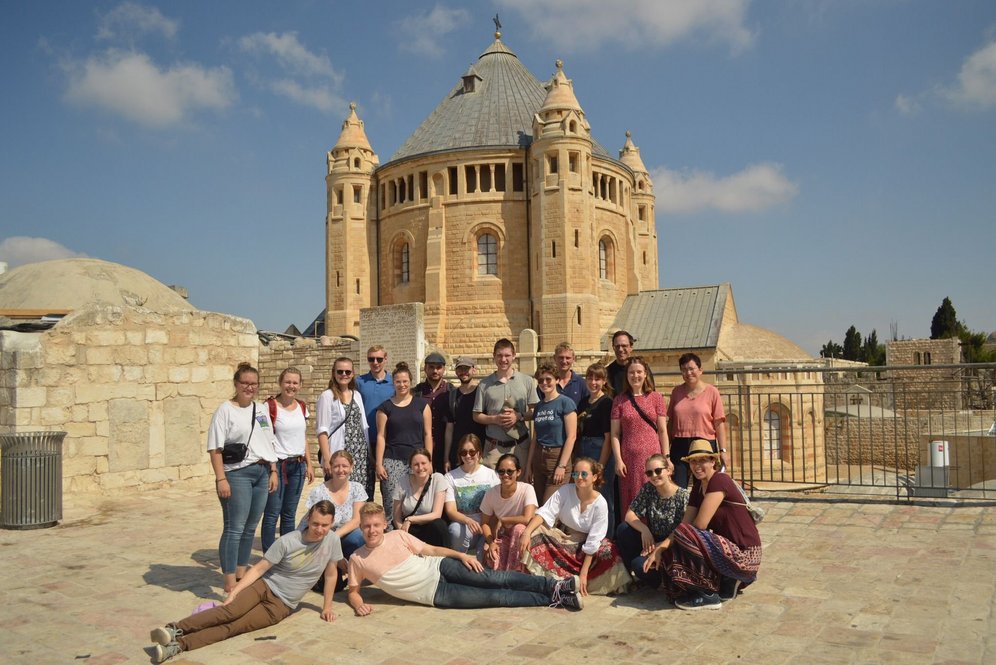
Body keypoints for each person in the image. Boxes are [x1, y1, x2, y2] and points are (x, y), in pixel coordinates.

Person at [148, 501, 342, 663]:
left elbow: (331, 574)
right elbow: (259, 568)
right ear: (308, 519)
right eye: (316, 523)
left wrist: (326, 607)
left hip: (281, 606)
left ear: (332, 523)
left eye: (325, 525)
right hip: (264, 586)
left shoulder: (332, 541)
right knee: (230, 611)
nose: (319, 529)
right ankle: (174, 629)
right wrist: (234, 591)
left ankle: (177, 646)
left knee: (233, 627)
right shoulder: (288, 541)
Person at [347, 503, 583, 613]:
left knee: (496, 579)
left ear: (384, 524)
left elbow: (430, 550)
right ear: (361, 527)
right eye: (367, 526)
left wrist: (461, 555)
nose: (372, 530)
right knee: (498, 598)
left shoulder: (398, 535)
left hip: (441, 567)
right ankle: (556, 599)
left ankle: (554, 584)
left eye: (376, 525)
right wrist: (359, 605)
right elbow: (353, 591)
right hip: (436, 595)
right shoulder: (358, 558)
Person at [646, 439, 761, 611]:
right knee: (675, 542)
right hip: (729, 549)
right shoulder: (699, 487)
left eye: (702, 460)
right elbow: (685, 522)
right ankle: (726, 582)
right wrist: (661, 548)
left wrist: (666, 544)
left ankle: (706, 594)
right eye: (693, 461)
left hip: (746, 554)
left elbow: (699, 525)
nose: (697, 465)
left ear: (713, 461)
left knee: (683, 534)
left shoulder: (719, 481)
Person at [208, 362, 279, 593]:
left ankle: (241, 573)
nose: (249, 387)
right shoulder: (225, 410)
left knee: (250, 527)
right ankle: (229, 581)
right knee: (234, 528)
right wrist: (221, 479)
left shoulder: (260, 409)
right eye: (245, 383)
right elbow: (215, 448)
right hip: (236, 474)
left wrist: (273, 470)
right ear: (236, 384)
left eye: (253, 384)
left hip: (261, 471)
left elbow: (268, 438)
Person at [519, 458, 630, 596]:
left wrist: (583, 573)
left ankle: (582, 582)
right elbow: (545, 513)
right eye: (576, 474)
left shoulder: (600, 503)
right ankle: (548, 580)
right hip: (563, 539)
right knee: (534, 532)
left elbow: (594, 540)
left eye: (584, 474)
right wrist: (526, 532)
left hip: (585, 547)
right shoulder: (565, 490)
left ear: (594, 477)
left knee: (608, 550)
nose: (579, 478)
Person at [616, 454, 688, 588]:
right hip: (651, 539)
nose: (654, 475)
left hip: (672, 544)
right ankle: (636, 577)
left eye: (658, 471)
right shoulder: (649, 488)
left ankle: (661, 579)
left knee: (638, 566)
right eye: (649, 472)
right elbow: (630, 514)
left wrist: (658, 547)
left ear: (669, 471)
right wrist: (644, 530)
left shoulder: (683, 496)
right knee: (623, 529)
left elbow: (682, 531)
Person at [260, 367, 313, 552]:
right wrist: (272, 469)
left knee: (289, 514)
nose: (291, 386)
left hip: (297, 465)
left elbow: (303, 436)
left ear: (300, 385)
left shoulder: (302, 407)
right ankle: (269, 554)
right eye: (288, 382)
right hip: (278, 466)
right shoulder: (269, 407)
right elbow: (264, 438)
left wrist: (309, 463)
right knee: (272, 513)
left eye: (295, 383)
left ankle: (286, 554)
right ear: (281, 383)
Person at [610, 356, 669, 517]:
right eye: (631, 372)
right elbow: (615, 434)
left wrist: (666, 457)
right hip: (629, 458)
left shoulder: (656, 398)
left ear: (645, 374)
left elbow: (663, 430)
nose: (635, 376)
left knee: (655, 494)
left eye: (639, 372)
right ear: (626, 375)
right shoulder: (619, 400)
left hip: (653, 455)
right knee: (632, 498)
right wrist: (618, 460)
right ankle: (633, 536)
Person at [375, 362, 432, 513]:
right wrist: (379, 464)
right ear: (393, 383)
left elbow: (427, 434)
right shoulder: (385, 408)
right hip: (392, 460)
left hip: (417, 460)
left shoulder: (422, 405)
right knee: (391, 503)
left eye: (405, 381)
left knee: (417, 501)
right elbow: (381, 436)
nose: (402, 385)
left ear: (410, 382)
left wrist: (429, 461)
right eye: (398, 381)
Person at [473, 338, 538, 469]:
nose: (503, 359)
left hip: (519, 446)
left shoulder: (527, 381)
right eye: (499, 355)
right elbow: (476, 415)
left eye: (507, 355)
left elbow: (535, 412)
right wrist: (495, 419)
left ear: (514, 356)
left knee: (520, 487)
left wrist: (519, 416)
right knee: (492, 487)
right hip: (494, 448)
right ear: (494, 357)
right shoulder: (484, 384)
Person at [667, 352, 730, 488]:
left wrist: (723, 451)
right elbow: (670, 422)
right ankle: (683, 510)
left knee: (702, 486)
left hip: (704, 444)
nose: (688, 373)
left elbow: (719, 424)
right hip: (680, 443)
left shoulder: (712, 392)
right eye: (684, 369)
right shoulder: (676, 392)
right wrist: (666, 450)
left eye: (691, 369)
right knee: (678, 486)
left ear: (700, 370)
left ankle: (702, 510)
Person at [300, 450, 368, 562]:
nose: (341, 470)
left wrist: (335, 536)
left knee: (360, 537)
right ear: (330, 468)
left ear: (351, 468)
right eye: (336, 466)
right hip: (322, 536)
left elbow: (357, 520)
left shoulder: (357, 488)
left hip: (344, 535)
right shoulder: (319, 491)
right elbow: (313, 521)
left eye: (345, 466)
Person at [316, 357, 370, 490]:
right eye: (340, 372)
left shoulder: (356, 395)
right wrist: (327, 459)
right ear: (334, 373)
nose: (344, 375)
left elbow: (363, 426)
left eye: (347, 372)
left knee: (359, 495)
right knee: (339, 494)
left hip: (360, 455)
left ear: (352, 374)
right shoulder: (327, 396)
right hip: (340, 454)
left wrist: (370, 454)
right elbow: (322, 430)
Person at [527, 362, 578, 502]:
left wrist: (561, 466)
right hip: (539, 457)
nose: (544, 383)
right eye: (541, 380)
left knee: (550, 508)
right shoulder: (539, 406)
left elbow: (571, 437)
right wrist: (528, 466)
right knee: (538, 504)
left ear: (556, 380)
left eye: (548, 379)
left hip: (557, 456)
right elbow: (535, 438)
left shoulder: (565, 403)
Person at [480, 453, 538, 571]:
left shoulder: (527, 489)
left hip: (526, 535)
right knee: (492, 558)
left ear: (518, 472)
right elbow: (484, 523)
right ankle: (507, 573)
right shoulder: (491, 493)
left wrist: (503, 519)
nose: (505, 475)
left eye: (510, 471)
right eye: (501, 472)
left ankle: (515, 573)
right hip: (504, 536)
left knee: (519, 529)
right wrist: (491, 542)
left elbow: (527, 518)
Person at [444, 434, 499, 553]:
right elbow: (450, 511)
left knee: (483, 559)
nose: (468, 456)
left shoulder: (492, 475)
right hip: (465, 526)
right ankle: (459, 562)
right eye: (464, 453)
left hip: (487, 527)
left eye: (472, 452)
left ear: (479, 453)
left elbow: (498, 508)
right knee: (454, 530)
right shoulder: (450, 477)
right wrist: (468, 521)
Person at [577, 362, 616, 530]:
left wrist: (601, 464)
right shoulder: (584, 402)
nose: (593, 382)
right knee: (587, 496)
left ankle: (607, 539)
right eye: (590, 378)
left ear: (604, 381)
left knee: (604, 497)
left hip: (600, 450)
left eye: (597, 379)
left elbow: (608, 437)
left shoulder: (607, 402)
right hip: (585, 449)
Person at [356, 345, 394, 496]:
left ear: (385, 359)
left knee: (389, 487)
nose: (375, 362)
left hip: (388, 440)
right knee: (365, 489)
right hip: (366, 440)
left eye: (379, 359)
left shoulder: (394, 383)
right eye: (371, 359)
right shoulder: (359, 382)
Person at [392, 448, 449, 547]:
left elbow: (437, 514)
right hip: (409, 530)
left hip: (430, 528)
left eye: (423, 463)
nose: (420, 467)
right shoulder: (402, 481)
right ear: (411, 466)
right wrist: (403, 533)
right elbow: (396, 517)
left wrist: (410, 519)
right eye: (416, 464)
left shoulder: (438, 479)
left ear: (430, 463)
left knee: (439, 525)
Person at [444, 356, 487, 471]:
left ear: (474, 369)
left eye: (466, 369)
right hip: (458, 452)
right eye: (460, 369)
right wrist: (446, 457)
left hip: (479, 450)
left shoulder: (482, 393)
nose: (463, 372)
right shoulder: (452, 396)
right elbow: (449, 428)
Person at [414, 351, 452, 474]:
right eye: (431, 367)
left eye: (438, 367)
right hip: (421, 447)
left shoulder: (451, 391)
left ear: (444, 369)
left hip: (445, 447)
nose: (435, 371)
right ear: (425, 368)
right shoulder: (416, 392)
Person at [606, 330, 652, 397]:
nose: (620, 349)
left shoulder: (642, 369)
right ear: (613, 348)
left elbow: (651, 392)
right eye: (617, 346)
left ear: (631, 347)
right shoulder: (607, 372)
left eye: (624, 346)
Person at [544, 342, 589, 410]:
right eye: (561, 357)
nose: (564, 361)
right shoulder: (545, 383)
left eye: (568, 358)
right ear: (554, 358)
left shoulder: (582, 384)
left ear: (573, 359)